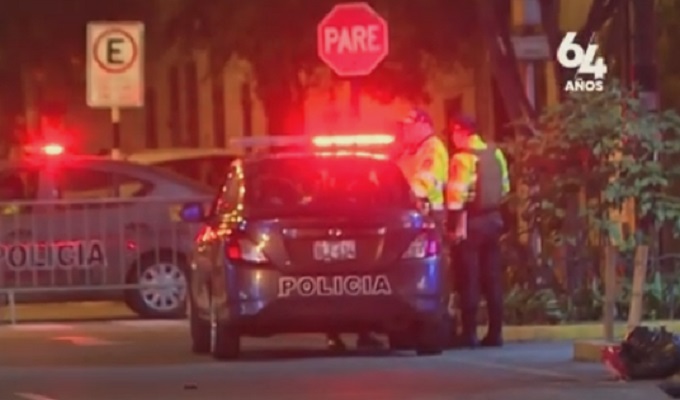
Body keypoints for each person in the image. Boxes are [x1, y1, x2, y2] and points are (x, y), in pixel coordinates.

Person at [447, 115, 509, 348]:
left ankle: (470, 333)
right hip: (494, 220)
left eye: (454, 133)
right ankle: (496, 333)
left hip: (471, 222)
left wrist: (454, 226)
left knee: (469, 277)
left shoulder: (462, 158)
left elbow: (457, 197)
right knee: (492, 278)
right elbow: (505, 187)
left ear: (461, 131)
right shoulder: (496, 153)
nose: (453, 138)